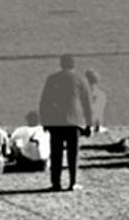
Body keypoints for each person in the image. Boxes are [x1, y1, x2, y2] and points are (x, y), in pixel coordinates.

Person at [39, 54, 94, 192]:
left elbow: (44, 102)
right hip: (74, 121)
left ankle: (56, 183)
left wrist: (45, 121)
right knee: (72, 154)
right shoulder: (81, 79)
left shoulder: (52, 79)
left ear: (61, 64)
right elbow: (87, 103)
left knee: (56, 153)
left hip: (56, 120)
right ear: (73, 65)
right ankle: (73, 182)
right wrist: (89, 124)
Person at [85, 69, 108, 135]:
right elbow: (100, 112)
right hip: (97, 124)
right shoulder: (102, 94)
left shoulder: (83, 94)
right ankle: (98, 126)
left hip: (87, 124)